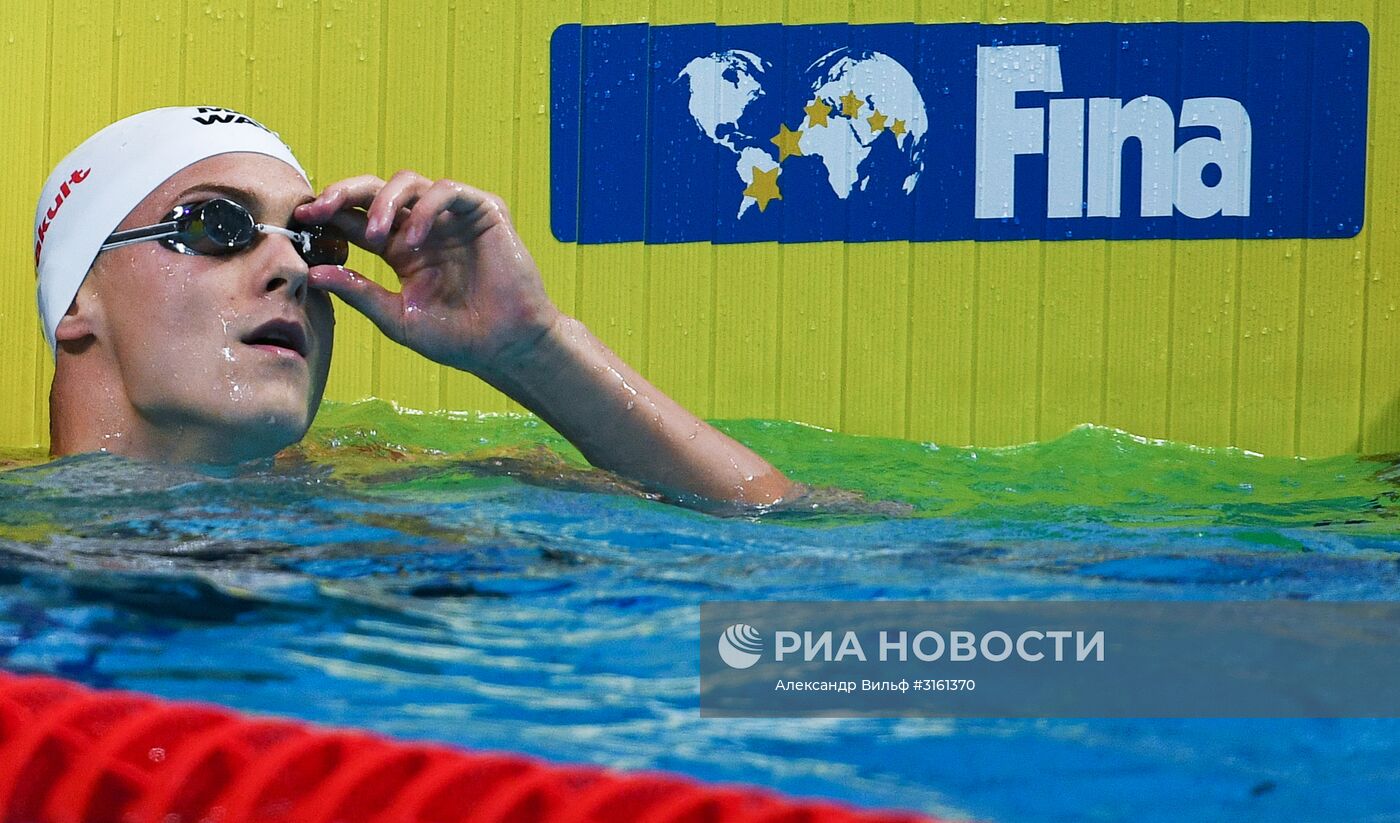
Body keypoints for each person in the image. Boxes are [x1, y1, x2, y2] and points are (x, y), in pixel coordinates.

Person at [34, 106, 793, 507]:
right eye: (215, 225)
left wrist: (532, 347)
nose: (286, 270)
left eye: (314, 243)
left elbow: (791, 533)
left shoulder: (387, 497)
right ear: (79, 298)